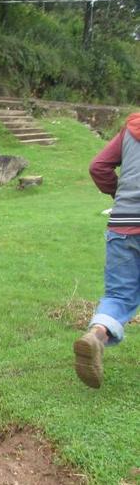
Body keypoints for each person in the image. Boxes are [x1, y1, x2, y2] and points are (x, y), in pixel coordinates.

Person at [74, 112, 140, 388]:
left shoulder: (132, 129)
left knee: (118, 295)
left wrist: (120, 196)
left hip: (123, 224)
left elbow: (98, 166)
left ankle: (97, 335)